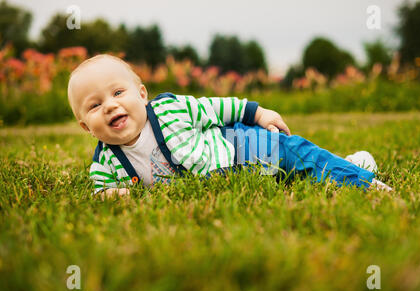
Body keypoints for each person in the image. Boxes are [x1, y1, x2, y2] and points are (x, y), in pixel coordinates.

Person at [67, 54, 392, 199]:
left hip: (238, 145)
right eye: (95, 105)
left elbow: (217, 107)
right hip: (234, 177)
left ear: (142, 94)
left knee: (297, 156)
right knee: (290, 179)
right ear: (86, 126)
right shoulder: (107, 162)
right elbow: (101, 191)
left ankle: (364, 182)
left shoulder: (170, 110)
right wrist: (111, 195)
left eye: (118, 92)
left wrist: (258, 113)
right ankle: (351, 163)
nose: (109, 105)